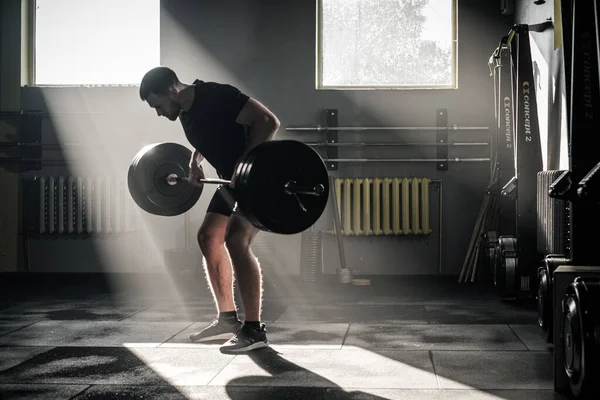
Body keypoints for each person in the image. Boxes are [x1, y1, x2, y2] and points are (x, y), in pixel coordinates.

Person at [139, 66, 280, 354]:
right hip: (231, 180)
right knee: (208, 237)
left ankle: (254, 330)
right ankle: (227, 320)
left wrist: (245, 167)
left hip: (258, 178)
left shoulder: (216, 96)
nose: (159, 113)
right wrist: (195, 161)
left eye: (158, 106)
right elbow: (209, 134)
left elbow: (267, 121)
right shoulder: (186, 110)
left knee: (236, 240)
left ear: (172, 91)